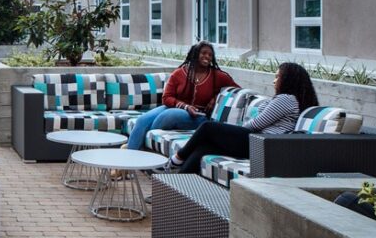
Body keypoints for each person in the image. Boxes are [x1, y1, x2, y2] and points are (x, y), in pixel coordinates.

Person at [168, 62, 319, 174]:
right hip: (260, 144)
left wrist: (234, 132)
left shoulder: (286, 99)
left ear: (288, 80)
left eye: (278, 77)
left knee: (208, 127)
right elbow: (261, 114)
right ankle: (175, 188)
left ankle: (177, 158)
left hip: (262, 144)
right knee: (204, 148)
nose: (274, 81)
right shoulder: (285, 99)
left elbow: (256, 123)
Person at [126, 42, 239, 151]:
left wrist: (216, 98)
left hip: (199, 116)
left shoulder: (217, 76)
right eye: (203, 53)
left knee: (168, 116)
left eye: (210, 55)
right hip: (175, 106)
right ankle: (128, 158)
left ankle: (145, 150)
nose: (207, 57)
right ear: (195, 54)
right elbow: (166, 97)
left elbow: (236, 89)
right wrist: (184, 106)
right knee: (142, 120)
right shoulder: (179, 73)